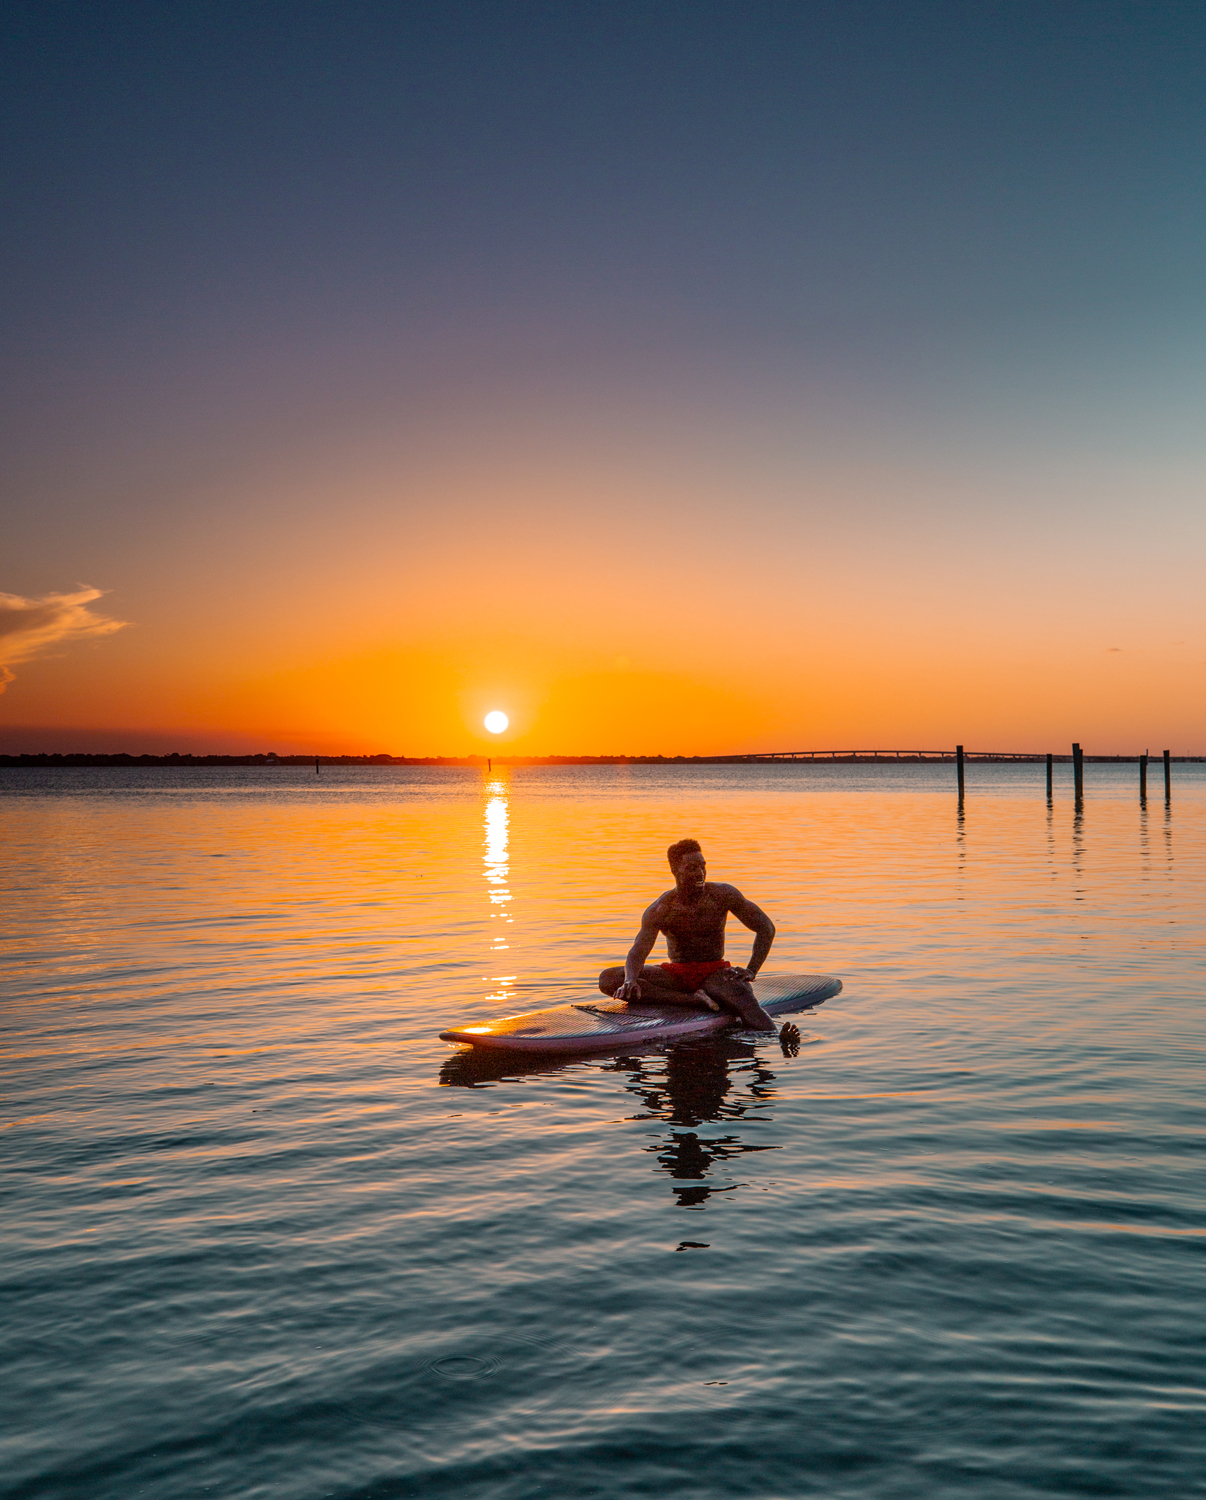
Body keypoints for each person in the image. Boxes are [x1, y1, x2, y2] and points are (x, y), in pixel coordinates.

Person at [598, 838, 796, 1038]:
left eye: (702, 866)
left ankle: (777, 1037)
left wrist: (752, 970)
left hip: (715, 972)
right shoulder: (662, 908)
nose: (700, 873)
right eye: (692, 868)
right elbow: (638, 951)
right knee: (609, 979)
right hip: (677, 974)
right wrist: (630, 980)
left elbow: (766, 928)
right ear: (676, 871)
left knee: (745, 1001)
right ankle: (691, 999)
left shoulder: (723, 895)